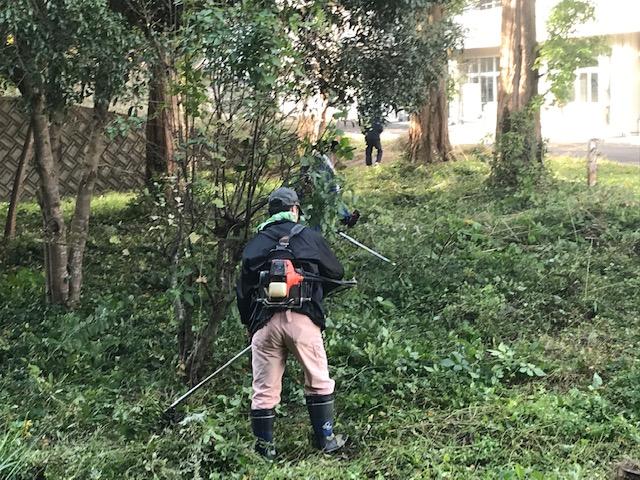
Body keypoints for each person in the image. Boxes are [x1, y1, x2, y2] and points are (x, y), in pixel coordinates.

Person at [236, 187, 348, 459]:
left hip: (265, 323)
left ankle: (265, 451)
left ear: (270, 212)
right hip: (302, 320)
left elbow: (243, 292)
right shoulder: (310, 237)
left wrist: (250, 325)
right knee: (318, 380)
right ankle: (326, 440)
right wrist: (315, 299)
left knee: (264, 390)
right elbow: (336, 273)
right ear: (295, 209)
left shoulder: (255, 244)